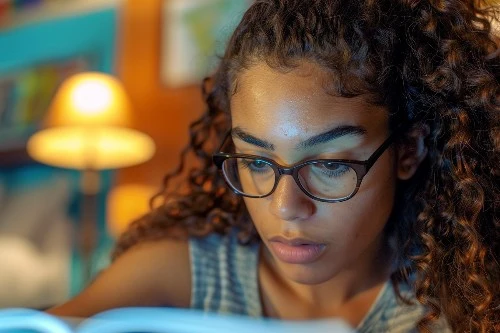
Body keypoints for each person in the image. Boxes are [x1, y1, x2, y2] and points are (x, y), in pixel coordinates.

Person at [47, 0, 499, 331]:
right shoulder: (186, 274)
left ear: (408, 152)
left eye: (328, 163)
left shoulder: (465, 304)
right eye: (256, 160)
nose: (285, 207)